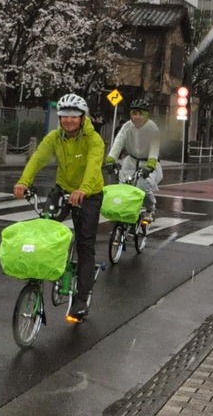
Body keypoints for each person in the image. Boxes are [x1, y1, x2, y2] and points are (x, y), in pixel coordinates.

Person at [13, 93, 105, 320]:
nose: (68, 120)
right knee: (44, 230)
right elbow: (37, 158)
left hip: (89, 194)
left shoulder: (94, 140)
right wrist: (24, 181)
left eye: (74, 116)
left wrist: (83, 189)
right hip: (62, 190)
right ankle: (39, 274)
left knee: (85, 245)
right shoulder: (55, 137)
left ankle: (81, 300)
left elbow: (94, 167)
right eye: (64, 116)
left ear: (83, 118)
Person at [106, 97, 161, 220]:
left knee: (143, 187)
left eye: (140, 114)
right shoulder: (127, 126)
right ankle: (124, 210)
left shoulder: (152, 128)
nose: (137, 117)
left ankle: (150, 209)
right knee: (123, 187)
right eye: (134, 113)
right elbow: (119, 141)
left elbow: (154, 147)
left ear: (146, 115)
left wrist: (151, 164)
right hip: (130, 162)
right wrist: (111, 159)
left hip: (148, 164)